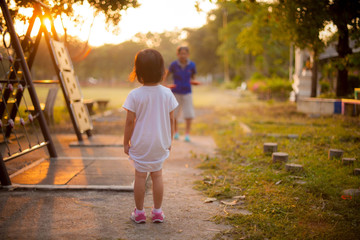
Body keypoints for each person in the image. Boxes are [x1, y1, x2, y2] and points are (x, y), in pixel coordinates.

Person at [123, 49, 178, 224]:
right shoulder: (167, 93)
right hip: (160, 142)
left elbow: (130, 122)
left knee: (140, 176)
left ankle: (139, 213)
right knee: (157, 176)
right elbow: (171, 119)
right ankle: (157, 212)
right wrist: (169, 140)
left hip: (141, 143)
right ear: (162, 71)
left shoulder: (134, 95)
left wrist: (126, 142)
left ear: (138, 73)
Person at [164, 46, 199, 142]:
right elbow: (166, 75)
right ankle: (176, 132)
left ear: (188, 54)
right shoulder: (173, 65)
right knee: (174, 114)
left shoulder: (192, 65)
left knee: (188, 113)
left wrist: (194, 82)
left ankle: (187, 134)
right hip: (175, 92)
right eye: (181, 53)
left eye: (185, 53)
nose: (183, 55)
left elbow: (193, 77)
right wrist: (165, 85)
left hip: (187, 92)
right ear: (178, 54)